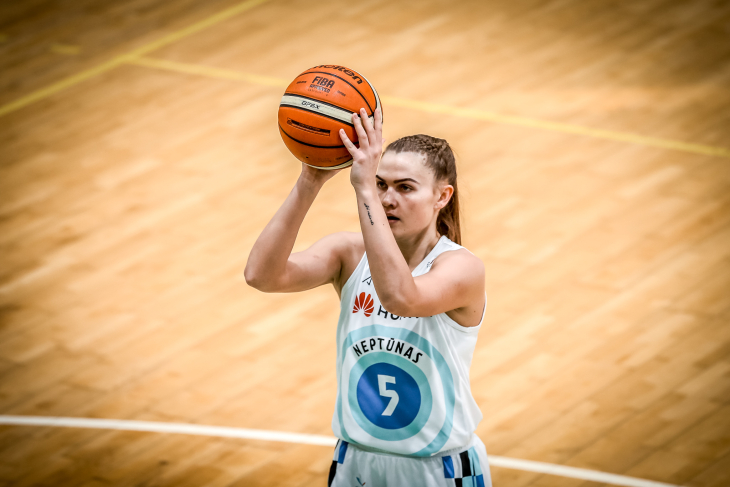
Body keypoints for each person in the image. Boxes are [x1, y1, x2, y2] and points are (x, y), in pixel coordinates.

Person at [245, 107, 491, 486]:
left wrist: (363, 191)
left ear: (442, 196)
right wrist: (310, 180)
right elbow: (261, 275)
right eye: (380, 184)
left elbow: (400, 298)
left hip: (437, 469)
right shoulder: (348, 253)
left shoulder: (461, 268)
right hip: (355, 462)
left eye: (404, 187)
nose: (388, 198)